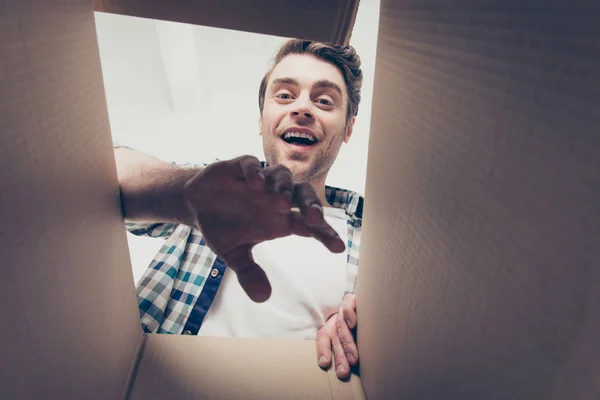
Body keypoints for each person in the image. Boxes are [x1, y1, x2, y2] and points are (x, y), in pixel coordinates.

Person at [115, 39, 365, 379]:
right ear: (262, 120)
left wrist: (365, 328)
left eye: (324, 100)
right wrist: (183, 192)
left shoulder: (376, 240)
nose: (302, 109)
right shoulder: (211, 189)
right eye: (285, 95)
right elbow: (101, 169)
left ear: (348, 128)